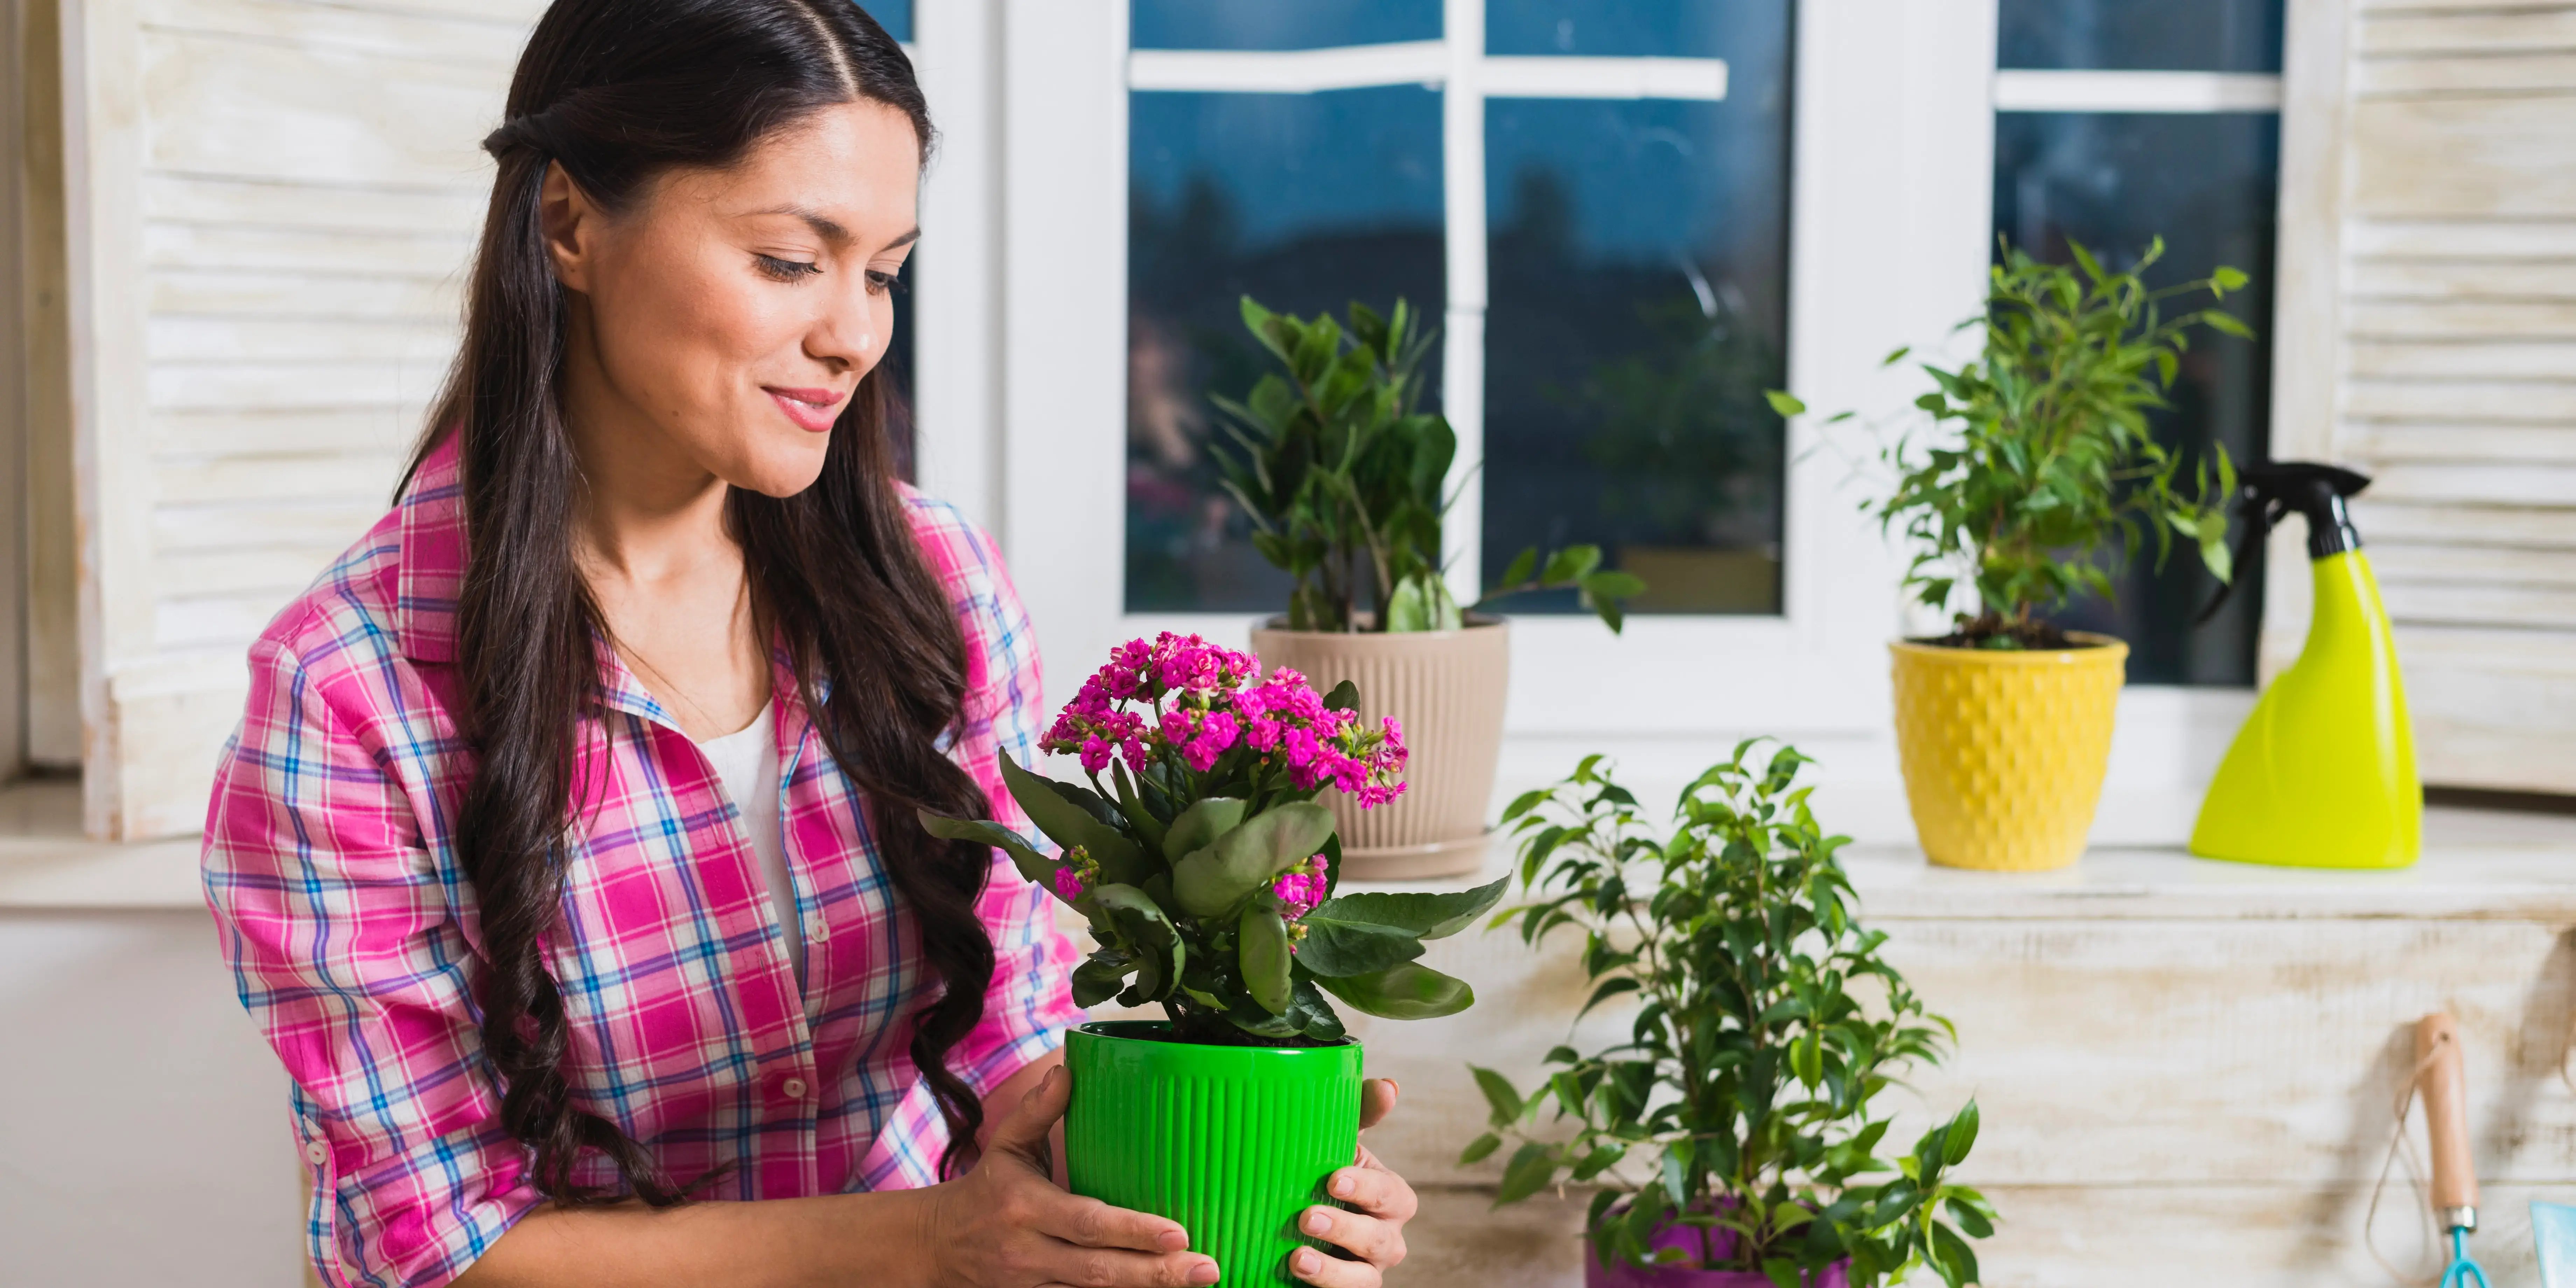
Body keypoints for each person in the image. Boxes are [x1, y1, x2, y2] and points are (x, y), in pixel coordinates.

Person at [198, 1, 1418, 1284]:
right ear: (567, 222)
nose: (855, 335)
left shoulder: (934, 585)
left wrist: (1247, 1178)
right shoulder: (349, 695)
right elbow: (444, 1247)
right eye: (791, 260)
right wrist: (932, 1244)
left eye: (884, 270)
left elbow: (1012, 1044)